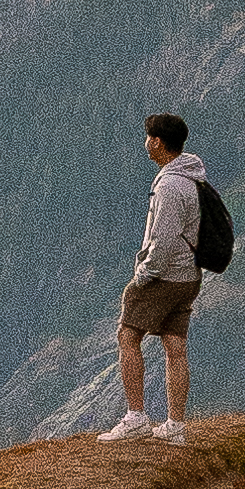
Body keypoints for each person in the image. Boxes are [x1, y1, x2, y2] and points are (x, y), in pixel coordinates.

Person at [101, 110, 205, 443]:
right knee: (175, 346)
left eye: (148, 137)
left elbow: (164, 238)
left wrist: (144, 273)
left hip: (164, 275)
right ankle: (175, 426)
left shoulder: (170, 186)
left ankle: (136, 417)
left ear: (157, 142)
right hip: (188, 274)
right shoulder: (193, 177)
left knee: (127, 336)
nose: (146, 142)